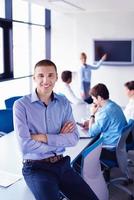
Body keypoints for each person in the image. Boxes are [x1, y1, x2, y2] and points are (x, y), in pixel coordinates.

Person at [13, 59, 98, 200]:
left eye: (50, 75)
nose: (46, 80)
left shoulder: (63, 103)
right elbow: (24, 146)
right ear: (34, 78)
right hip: (36, 169)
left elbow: (73, 138)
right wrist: (59, 139)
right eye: (40, 75)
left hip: (62, 164)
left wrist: (42, 137)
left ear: (56, 78)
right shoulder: (21, 105)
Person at [82, 83, 127, 160]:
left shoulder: (105, 112)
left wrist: (92, 114)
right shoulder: (113, 105)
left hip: (109, 149)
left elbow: (91, 133)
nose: (93, 101)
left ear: (99, 98)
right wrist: (92, 121)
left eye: (94, 99)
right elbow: (107, 120)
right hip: (118, 146)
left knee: (81, 154)